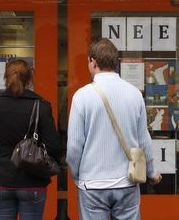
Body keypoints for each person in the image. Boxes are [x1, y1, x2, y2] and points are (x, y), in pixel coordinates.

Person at [66, 38, 161, 220]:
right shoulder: (134, 94)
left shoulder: (82, 96)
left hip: (92, 184)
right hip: (127, 182)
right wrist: (151, 172)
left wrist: (79, 177)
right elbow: (143, 140)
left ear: (93, 62)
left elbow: (74, 147)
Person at [0, 59, 61, 220]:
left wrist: (0, 162)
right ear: (29, 79)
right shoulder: (41, 106)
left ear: (6, 78)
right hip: (32, 181)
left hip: (1, 179)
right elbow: (53, 146)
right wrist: (45, 167)